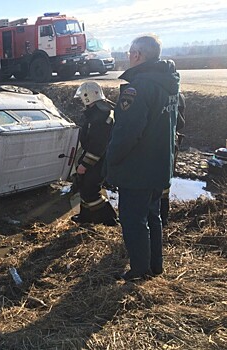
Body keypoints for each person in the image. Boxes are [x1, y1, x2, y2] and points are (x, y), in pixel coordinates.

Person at [105, 34, 180, 281]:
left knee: (133, 220)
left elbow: (127, 132)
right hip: (159, 165)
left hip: (138, 169)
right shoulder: (168, 83)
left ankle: (139, 271)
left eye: (129, 53)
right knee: (152, 215)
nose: (128, 57)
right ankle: (155, 266)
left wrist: (111, 161)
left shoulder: (138, 88)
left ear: (137, 55)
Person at [71, 81, 118, 226]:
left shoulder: (99, 116)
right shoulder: (103, 110)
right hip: (101, 157)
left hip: (99, 159)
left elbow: (97, 145)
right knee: (84, 185)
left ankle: (109, 218)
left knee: (90, 190)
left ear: (87, 97)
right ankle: (86, 216)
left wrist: (84, 164)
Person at [160, 92, 186, 226]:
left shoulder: (155, 93)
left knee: (159, 186)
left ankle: (160, 220)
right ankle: (163, 220)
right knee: (165, 184)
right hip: (171, 143)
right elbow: (181, 123)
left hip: (160, 145)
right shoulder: (178, 95)